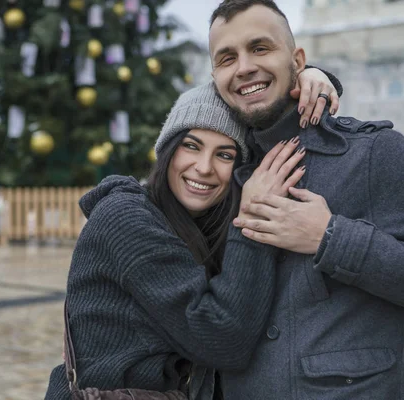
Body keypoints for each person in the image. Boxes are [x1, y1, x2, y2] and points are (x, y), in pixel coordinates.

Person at [205, 1, 404, 399]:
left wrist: (332, 237)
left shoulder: (374, 154)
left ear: (298, 59)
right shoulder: (216, 175)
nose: (244, 67)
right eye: (226, 58)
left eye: (260, 47)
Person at [45, 74, 340, 399]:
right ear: (168, 150)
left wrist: (310, 77)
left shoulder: (200, 224)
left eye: (225, 155)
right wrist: (254, 213)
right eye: (191, 146)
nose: (203, 167)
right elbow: (224, 340)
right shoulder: (126, 218)